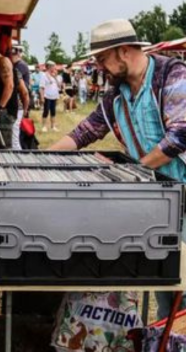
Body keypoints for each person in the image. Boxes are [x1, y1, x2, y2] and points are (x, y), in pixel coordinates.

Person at [50, 18, 186, 320]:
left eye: (101, 59)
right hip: (159, 205)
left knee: (185, 292)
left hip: (183, 197)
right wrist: (36, 160)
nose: (99, 67)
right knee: (168, 287)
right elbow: (83, 132)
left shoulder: (172, 74)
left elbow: (180, 135)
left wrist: (134, 172)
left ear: (123, 51)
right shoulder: (115, 95)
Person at [10, 43, 31, 150]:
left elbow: (24, 91)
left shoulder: (20, 66)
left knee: (16, 134)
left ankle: (18, 154)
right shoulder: (17, 65)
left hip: (20, 102)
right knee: (17, 133)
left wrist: (26, 109)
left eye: (14, 52)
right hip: (20, 102)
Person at [39, 61, 60, 132]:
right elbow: (41, 87)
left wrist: (56, 77)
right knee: (46, 111)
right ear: (49, 67)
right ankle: (44, 126)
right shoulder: (44, 75)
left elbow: (59, 85)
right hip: (47, 96)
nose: (55, 68)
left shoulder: (54, 76)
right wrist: (42, 98)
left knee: (53, 112)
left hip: (54, 97)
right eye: (54, 66)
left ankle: (53, 126)